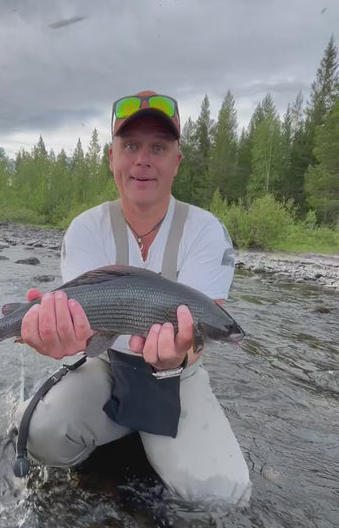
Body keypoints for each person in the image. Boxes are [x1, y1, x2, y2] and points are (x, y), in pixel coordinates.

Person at [15, 90, 251, 505]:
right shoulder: (86, 229)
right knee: (42, 437)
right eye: (130, 146)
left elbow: (199, 340)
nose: (143, 159)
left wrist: (178, 358)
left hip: (180, 378)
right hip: (104, 366)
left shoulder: (206, 231)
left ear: (176, 162)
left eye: (158, 147)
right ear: (112, 158)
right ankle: (119, 448)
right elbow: (81, 328)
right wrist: (57, 338)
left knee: (222, 496)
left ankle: (136, 441)